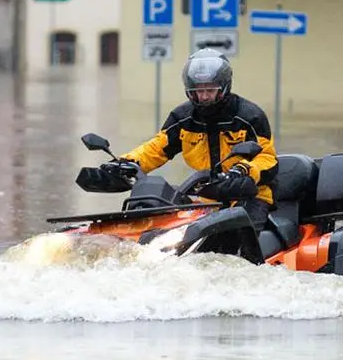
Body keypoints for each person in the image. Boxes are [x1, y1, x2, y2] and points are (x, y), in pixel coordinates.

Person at [110, 48, 279, 231]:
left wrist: (243, 170)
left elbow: (268, 159)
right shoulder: (182, 117)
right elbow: (156, 148)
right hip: (206, 199)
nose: (204, 96)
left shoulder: (249, 117)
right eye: (198, 90)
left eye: (210, 90)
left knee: (241, 237)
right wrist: (122, 164)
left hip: (251, 196)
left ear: (224, 87)